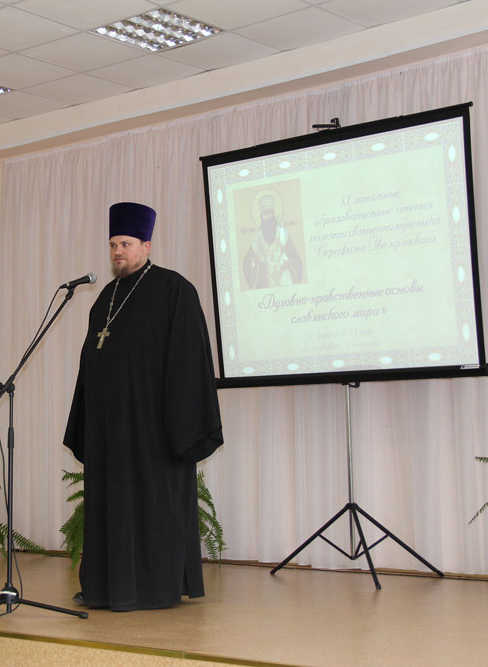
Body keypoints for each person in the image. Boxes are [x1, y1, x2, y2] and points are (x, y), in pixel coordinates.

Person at [64, 201, 224, 611]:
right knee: (109, 508)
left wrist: (179, 425)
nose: (118, 251)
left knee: (153, 508)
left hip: (155, 431)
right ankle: (106, 586)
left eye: (126, 244)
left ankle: (153, 588)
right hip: (109, 432)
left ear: (147, 246)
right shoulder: (105, 297)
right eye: (113, 244)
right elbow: (91, 363)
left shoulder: (174, 290)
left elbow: (190, 360)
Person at [241, 189, 303, 289]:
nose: (268, 216)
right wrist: (254, 261)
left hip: (284, 277)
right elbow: (248, 261)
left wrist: (287, 261)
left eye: (270, 213)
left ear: (273, 214)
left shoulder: (282, 232)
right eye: (265, 214)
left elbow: (293, 256)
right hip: (264, 279)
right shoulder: (256, 238)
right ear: (261, 216)